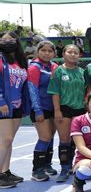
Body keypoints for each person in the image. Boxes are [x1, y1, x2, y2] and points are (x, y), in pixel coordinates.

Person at [47, 44, 86, 182]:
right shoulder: (58, 71)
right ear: (63, 54)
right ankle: (64, 168)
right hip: (63, 109)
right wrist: (57, 110)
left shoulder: (82, 72)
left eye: (76, 52)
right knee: (64, 139)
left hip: (80, 109)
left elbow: (88, 89)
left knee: (77, 140)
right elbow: (55, 93)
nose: (73, 54)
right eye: (70, 52)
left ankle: (74, 165)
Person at [0, 31, 29, 188]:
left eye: (10, 39)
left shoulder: (20, 61)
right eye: (3, 40)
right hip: (4, 105)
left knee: (9, 141)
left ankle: (6, 172)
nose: (7, 42)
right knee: (6, 139)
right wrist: (1, 100)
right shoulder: (0, 58)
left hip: (17, 106)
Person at [28, 40, 58, 181]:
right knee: (45, 136)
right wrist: (38, 109)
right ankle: (37, 170)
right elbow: (32, 90)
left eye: (50, 51)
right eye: (44, 50)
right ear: (38, 51)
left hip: (53, 108)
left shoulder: (54, 67)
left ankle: (47, 164)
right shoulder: (34, 67)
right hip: (41, 108)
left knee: (50, 137)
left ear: (54, 53)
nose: (47, 53)